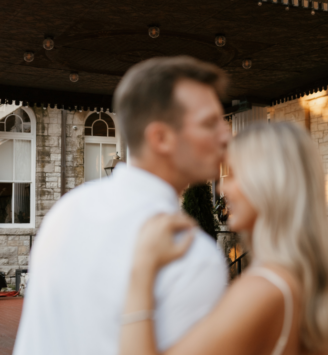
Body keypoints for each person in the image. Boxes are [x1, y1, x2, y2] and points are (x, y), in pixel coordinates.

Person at [14, 56, 230, 355]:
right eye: (210, 123)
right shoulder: (190, 254)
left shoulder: (66, 211)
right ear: (160, 137)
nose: (226, 134)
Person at [119, 122, 328, 355]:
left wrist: (142, 270)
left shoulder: (262, 289)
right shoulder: (292, 279)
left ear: (269, 184)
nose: (222, 188)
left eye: (233, 174)